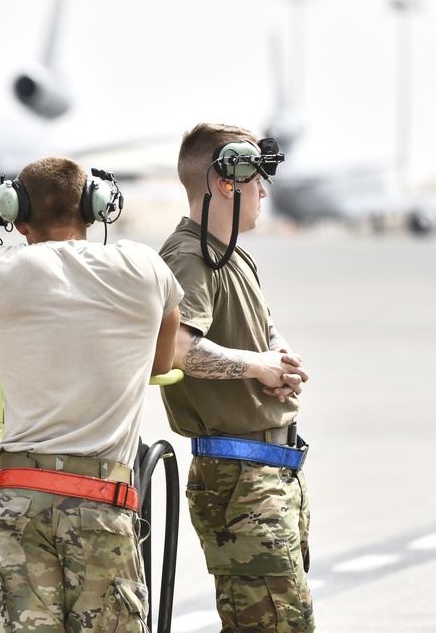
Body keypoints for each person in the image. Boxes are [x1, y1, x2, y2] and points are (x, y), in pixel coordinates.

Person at [0, 156, 183, 631]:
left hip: (18, 498)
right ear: (94, 206)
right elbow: (162, 361)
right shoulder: (144, 266)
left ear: (15, 213)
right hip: (103, 498)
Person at [158, 123, 314, 632]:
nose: (264, 191)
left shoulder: (230, 255)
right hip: (242, 478)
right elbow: (180, 349)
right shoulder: (189, 257)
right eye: (257, 179)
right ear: (228, 181)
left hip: (269, 471)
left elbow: (260, 333)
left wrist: (279, 357)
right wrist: (257, 366)